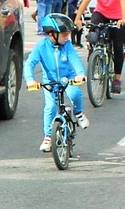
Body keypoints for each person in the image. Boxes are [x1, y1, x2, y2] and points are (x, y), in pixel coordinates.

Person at [25, 13, 90, 152]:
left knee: (75, 94)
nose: (67, 38)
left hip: (68, 79)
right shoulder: (41, 47)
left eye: (68, 34)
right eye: (64, 34)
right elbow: (30, 63)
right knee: (50, 108)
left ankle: (78, 113)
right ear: (52, 34)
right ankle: (48, 137)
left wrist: (80, 75)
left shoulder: (67, 46)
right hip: (50, 82)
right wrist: (30, 80)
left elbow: (75, 60)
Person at [74, 0, 125, 92]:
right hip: (101, 13)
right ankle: (93, 52)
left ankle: (117, 78)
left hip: (117, 16)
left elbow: (123, 2)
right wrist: (77, 18)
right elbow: (86, 1)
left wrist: (124, 18)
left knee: (117, 47)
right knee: (93, 31)